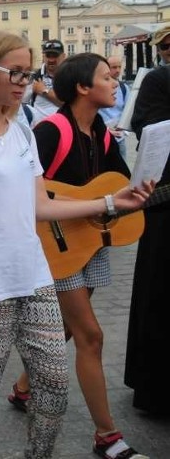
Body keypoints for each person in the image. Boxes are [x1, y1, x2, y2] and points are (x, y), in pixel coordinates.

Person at [0, 31, 152, 459]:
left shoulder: (22, 133)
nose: (22, 81)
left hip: (36, 281)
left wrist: (109, 201)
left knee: (53, 388)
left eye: (26, 72)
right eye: (13, 71)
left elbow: (39, 206)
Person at [8, 53, 147, 458]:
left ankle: (22, 389)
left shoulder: (100, 130)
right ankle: (107, 437)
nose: (114, 82)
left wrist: (138, 194)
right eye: (106, 76)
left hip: (86, 243)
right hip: (56, 245)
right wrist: (92, 204)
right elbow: (27, 191)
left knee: (70, 327)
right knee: (91, 336)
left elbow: (119, 183)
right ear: (83, 88)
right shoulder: (51, 130)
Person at [125, 22, 170, 417]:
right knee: (160, 292)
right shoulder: (158, 81)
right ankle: (156, 386)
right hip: (165, 203)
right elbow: (149, 130)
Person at [99, 55, 129, 159]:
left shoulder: (124, 88)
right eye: (114, 67)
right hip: (102, 137)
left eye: (119, 67)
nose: (117, 70)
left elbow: (128, 111)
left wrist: (124, 130)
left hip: (119, 138)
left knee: (122, 172)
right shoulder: (99, 87)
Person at [30, 39, 66, 119]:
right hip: (39, 128)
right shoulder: (34, 76)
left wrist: (44, 90)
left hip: (63, 128)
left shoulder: (70, 76)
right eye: (48, 55)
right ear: (43, 56)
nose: (51, 59)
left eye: (55, 56)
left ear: (63, 56)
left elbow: (70, 104)